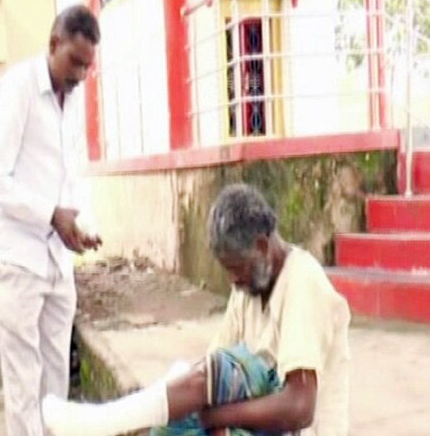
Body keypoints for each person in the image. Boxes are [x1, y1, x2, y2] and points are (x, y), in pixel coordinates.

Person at [42, 183, 351, 436]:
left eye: (236, 268)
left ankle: (102, 422)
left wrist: (212, 417)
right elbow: (210, 370)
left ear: (261, 246)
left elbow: (299, 407)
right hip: (260, 425)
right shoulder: (250, 285)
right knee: (177, 416)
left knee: (216, 381)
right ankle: (118, 422)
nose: (232, 279)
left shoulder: (303, 281)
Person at [0, 5, 102, 436]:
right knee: (24, 383)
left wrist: (76, 228)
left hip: (55, 260)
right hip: (16, 259)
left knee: (55, 381)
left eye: (87, 67)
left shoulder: (72, 99)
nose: (81, 75)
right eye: (74, 63)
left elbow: (66, 173)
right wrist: (51, 215)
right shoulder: (17, 90)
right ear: (53, 44)